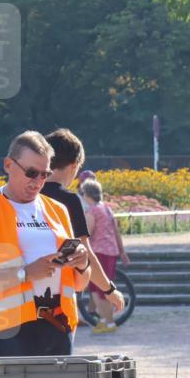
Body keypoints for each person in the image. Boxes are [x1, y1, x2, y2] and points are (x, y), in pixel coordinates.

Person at [0, 131, 92, 358]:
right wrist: (26, 273)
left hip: (58, 326)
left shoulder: (58, 210)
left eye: (45, 174)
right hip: (6, 331)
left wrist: (83, 264)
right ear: (8, 165)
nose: (38, 181)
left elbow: (79, 284)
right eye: (31, 172)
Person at [42, 129, 126, 312]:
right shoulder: (70, 200)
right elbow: (85, 251)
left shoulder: (27, 194)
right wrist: (109, 289)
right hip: (58, 299)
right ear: (74, 165)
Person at [80, 179, 130, 334]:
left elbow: (86, 232)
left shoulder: (92, 211)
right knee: (103, 287)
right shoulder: (107, 209)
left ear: (86, 194)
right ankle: (104, 320)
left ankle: (109, 322)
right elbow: (116, 232)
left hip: (98, 252)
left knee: (99, 289)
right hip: (111, 251)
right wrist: (122, 252)